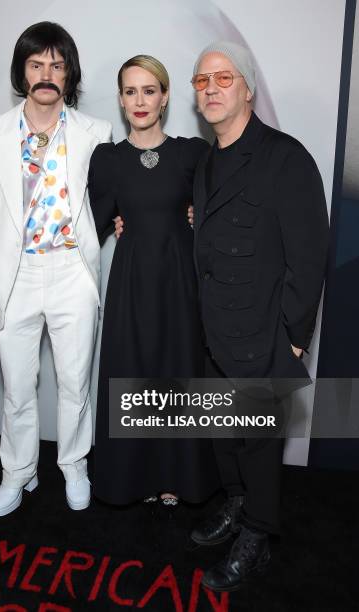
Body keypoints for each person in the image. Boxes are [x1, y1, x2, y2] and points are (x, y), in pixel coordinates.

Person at [188, 41, 329, 591]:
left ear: (247, 87)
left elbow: (309, 255)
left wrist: (293, 339)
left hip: (262, 334)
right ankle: (237, 508)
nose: (212, 89)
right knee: (226, 437)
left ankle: (258, 537)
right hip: (215, 331)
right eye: (202, 82)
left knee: (259, 443)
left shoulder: (286, 157)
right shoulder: (206, 161)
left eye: (223, 78)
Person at [0, 22, 111, 516]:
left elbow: (111, 198)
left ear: (69, 75)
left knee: (74, 382)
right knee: (18, 388)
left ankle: (73, 465)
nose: (46, 74)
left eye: (57, 64)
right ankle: (18, 472)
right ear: (22, 72)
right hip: (15, 276)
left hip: (72, 272)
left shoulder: (96, 134)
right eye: (36, 64)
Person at [88, 55, 218, 506]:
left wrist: (199, 216)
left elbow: (219, 209)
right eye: (130, 91)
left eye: (149, 90)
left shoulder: (192, 154)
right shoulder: (107, 159)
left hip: (179, 282)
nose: (139, 101)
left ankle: (173, 477)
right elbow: (92, 224)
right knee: (135, 373)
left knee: (176, 371)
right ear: (121, 101)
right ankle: (134, 479)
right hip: (131, 283)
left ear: (164, 98)